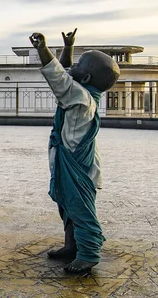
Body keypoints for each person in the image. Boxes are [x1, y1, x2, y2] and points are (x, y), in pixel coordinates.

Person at [29, 29, 120, 273]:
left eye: (79, 64)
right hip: (70, 163)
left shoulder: (80, 98)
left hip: (78, 170)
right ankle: (72, 246)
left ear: (87, 78)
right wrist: (68, 48)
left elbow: (59, 78)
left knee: (80, 210)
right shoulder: (85, 92)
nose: (73, 67)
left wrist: (42, 49)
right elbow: (67, 73)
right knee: (68, 207)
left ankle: (88, 253)